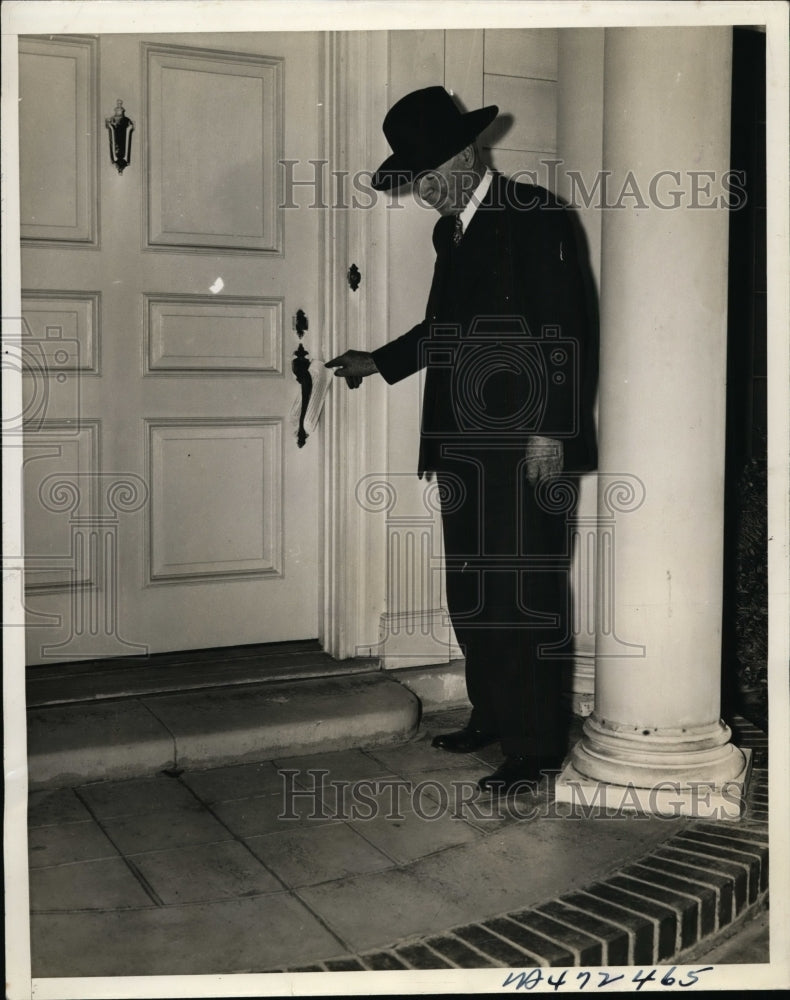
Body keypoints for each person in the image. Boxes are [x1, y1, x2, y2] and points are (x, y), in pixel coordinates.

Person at [327, 86, 596, 794]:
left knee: (523, 593)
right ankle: (494, 715)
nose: (420, 193)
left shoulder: (537, 216)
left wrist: (552, 432)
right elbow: (443, 333)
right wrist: (376, 362)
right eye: (413, 180)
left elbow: (567, 330)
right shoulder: (454, 234)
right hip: (461, 445)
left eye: (425, 176)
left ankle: (536, 747)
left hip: (525, 447)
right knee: (475, 591)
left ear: (467, 154)